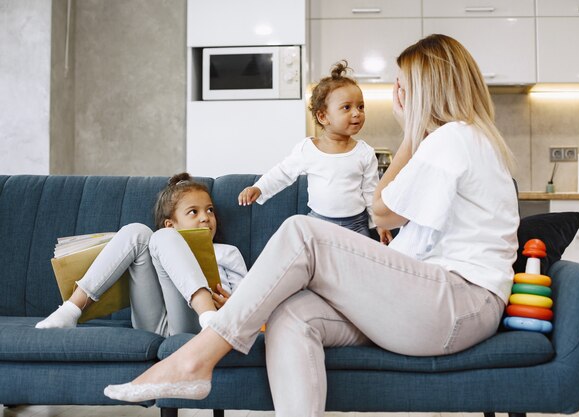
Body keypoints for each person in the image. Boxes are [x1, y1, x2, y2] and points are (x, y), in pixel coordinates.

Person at [103, 34, 520, 416]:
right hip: (434, 306)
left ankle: (196, 358)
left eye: (401, 86)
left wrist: (411, 133)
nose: (396, 96)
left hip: (458, 305)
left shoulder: (453, 138)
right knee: (292, 314)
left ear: (421, 92)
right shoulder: (459, 142)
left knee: (302, 231)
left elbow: (381, 211)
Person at [36, 173, 247, 336]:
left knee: (162, 237)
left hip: (194, 326)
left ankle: (208, 316)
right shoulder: (162, 239)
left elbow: (253, 303)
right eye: (194, 211)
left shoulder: (228, 253)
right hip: (153, 324)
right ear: (171, 223)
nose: (206, 218)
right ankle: (70, 310)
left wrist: (233, 306)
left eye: (210, 210)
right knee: (139, 232)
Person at [238, 61, 393, 244]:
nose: (357, 113)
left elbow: (370, 192)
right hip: (319, 222)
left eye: (360, 107)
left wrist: (380, 223)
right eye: (347, 107)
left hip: (356, 225)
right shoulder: (308, 149)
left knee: (357, 268)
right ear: (323, 116)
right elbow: (283, 172)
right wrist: (260, 187)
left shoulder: (365, 152)